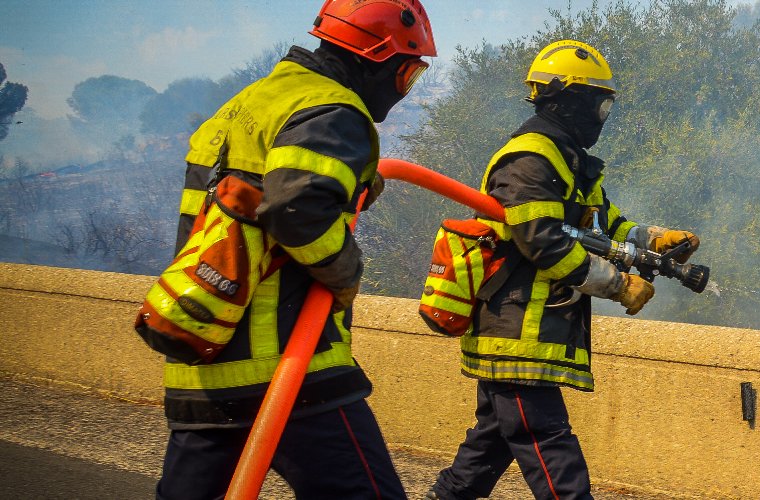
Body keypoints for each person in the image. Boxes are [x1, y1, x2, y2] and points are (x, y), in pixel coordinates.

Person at [153, 0, 436, 498]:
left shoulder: (250, 103)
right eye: (408, 75)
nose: (402, 90)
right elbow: (296, 209)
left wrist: (356, 182)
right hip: (289, 370)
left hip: (202, 358)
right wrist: (347, 272)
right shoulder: (332, 109)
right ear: (377, 57)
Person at [425, 39, 700, 500]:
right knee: (550, 447)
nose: (603, 116)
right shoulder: (531, 158)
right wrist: (617, 285)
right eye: (600, 104)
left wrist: (651, 239)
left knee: (490, 444)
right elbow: (543, 240)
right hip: (518, 328)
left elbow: (598, 225)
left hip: (529, 329)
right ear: (567, 99)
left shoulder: (568, 158)